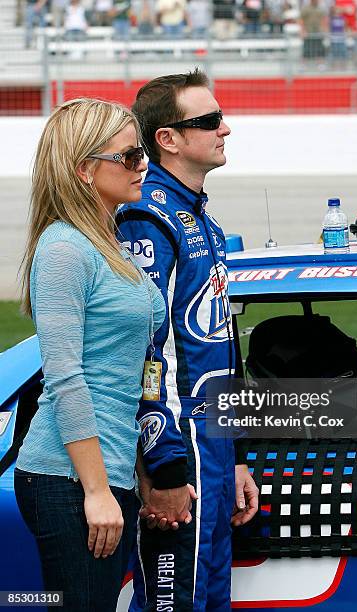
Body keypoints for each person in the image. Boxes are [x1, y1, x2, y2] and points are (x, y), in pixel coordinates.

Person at [14, 98, 165, 612]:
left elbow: (129, 373)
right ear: (84, 170)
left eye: (141, 153)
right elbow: (64, 378)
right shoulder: (64, 248)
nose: (142, 164)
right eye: (128, 156)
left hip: (107, 473)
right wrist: (97, 491)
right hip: (67, 477)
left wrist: (137, 473)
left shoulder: (110, 241)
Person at [115, 69, 259, 611]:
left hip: (213, 445)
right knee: (175, 603)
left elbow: (217, 348)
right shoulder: (147, 216)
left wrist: (236, 456)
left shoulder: (201, 218)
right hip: (181, 444)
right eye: (208, 120)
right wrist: (165, 465)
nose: (226, 128)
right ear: (167, 139)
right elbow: (143, 351)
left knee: (210, 598)